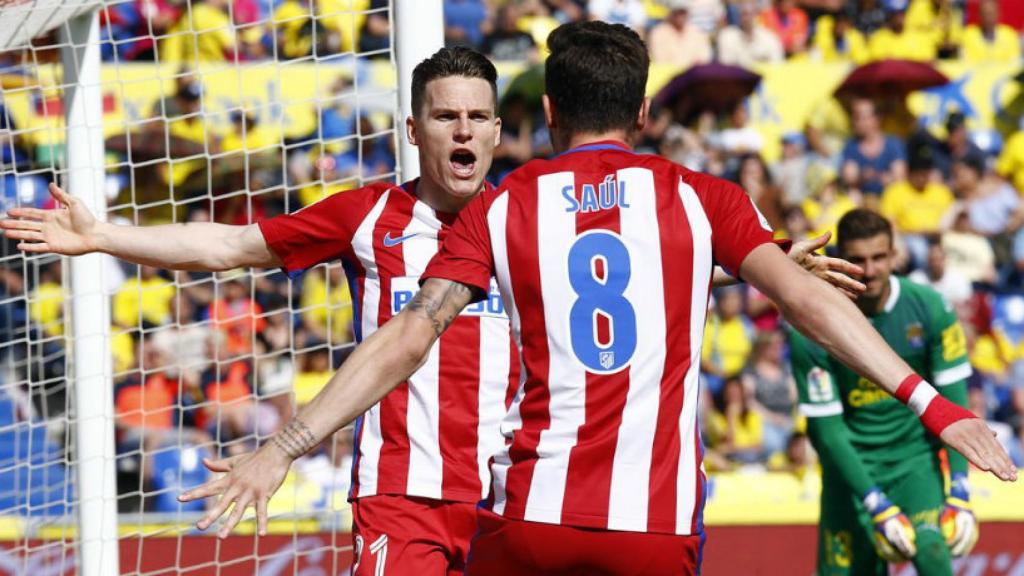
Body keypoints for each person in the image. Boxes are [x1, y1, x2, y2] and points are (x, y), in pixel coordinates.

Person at [171, 21, 1014, 576]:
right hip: (650, 527)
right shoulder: (701, 199)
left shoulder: (506, 205)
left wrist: (283, 446)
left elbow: (408, 335)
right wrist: (935, 406)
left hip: (531, 524)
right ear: (645, 110)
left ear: (543, 112)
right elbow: (810, 305)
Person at [4, 47, 514, 576]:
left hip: (509, 495)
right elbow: (228, 246)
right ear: (413, 129)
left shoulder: (525, 223)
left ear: (497, 132)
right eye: (445, 116)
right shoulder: (369, 215)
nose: (462, 132)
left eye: (477, 118)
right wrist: (103, 236)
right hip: (403, 498)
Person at [789, 209, 978, 576]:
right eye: (858, 260)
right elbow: (828, 433)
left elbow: (955, 403)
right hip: (850, 471)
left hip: (914, 464)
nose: (871, 269)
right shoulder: (811, 323)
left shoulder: (929, 308)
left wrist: (960, 490)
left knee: (935, 554)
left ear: (895, 255)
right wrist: (875, 503)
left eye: (879, 257)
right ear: (840, 259)